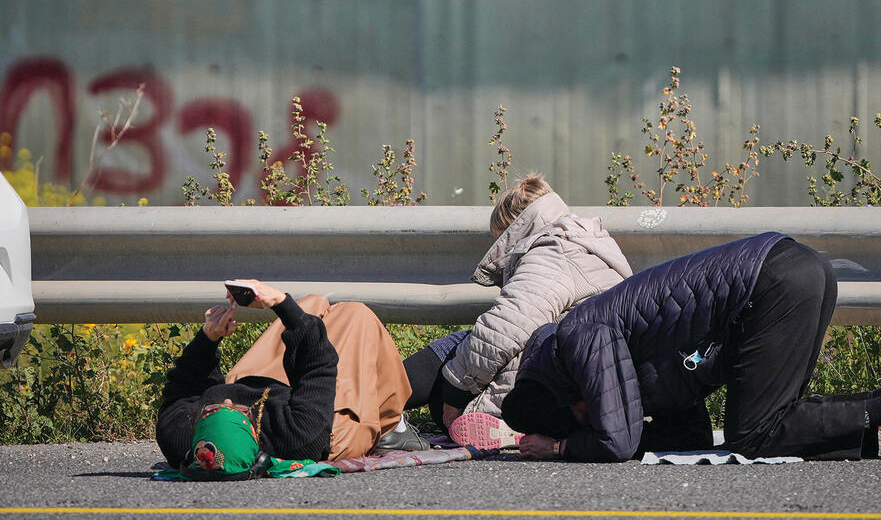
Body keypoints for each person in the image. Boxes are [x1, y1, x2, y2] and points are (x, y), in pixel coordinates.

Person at [500, 232, 881, 463]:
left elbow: (616, 441)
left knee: (753, 437)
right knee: (766, 424)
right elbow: (686, 439)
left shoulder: (579, 337)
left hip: (773, 283)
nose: (595, 410)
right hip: (790, 272)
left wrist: (560, 446)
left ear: (569, 398)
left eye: (582, 413)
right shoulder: (610, 349)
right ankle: (870, 424)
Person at [403, 173, 632, 449]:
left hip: (554, 389)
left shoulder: (554, 251)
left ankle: (373, 400)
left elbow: (505, 327)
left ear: (514, 229)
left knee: (458, 348)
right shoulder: (591, 244)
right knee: (467, 347)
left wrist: (455, 393)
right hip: (595, 387)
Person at [156, 280, 423, 480]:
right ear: (252, 434)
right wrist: (282, 304)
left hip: (270, 394)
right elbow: (318, 368)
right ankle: (391, 428)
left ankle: (296, 313)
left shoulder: (178, 434)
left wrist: (209, 337)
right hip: (329, 426)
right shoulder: (297, 435)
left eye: (213, 410)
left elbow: (184, 385)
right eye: (235, 410)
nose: (226, 399)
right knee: (356, 315)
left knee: (312, 304)